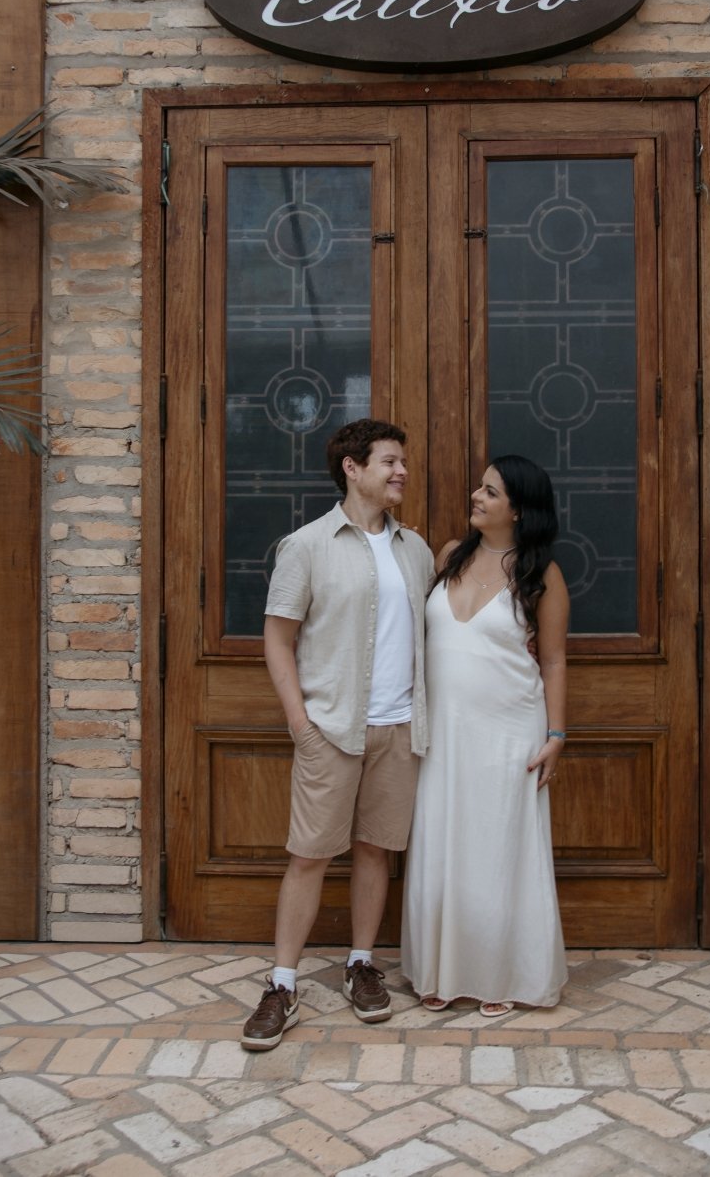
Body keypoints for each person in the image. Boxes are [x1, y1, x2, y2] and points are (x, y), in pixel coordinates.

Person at [241, 418, 434, 1051]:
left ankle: (361, 964)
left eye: (402, 461)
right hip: (331, 730)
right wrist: (302, 725)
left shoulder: (416, 550)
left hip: (399, 729)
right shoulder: (307, 546)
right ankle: (282, 984)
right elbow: (277, 639)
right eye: (389, 461)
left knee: (376, 851)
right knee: (309, 856)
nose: (401, 471)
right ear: (352, 468)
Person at [401, 454, 569, 1016]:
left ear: (518, 510)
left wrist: (556, 735)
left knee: (498, 849)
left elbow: (554, 660)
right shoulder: (449, 555)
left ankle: (502, 976)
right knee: (442, 842)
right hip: (443, 730)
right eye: (480, 487)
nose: (476, 495)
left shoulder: (541, 574)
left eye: (491, 491)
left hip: (509, 730)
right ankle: (440, 970)